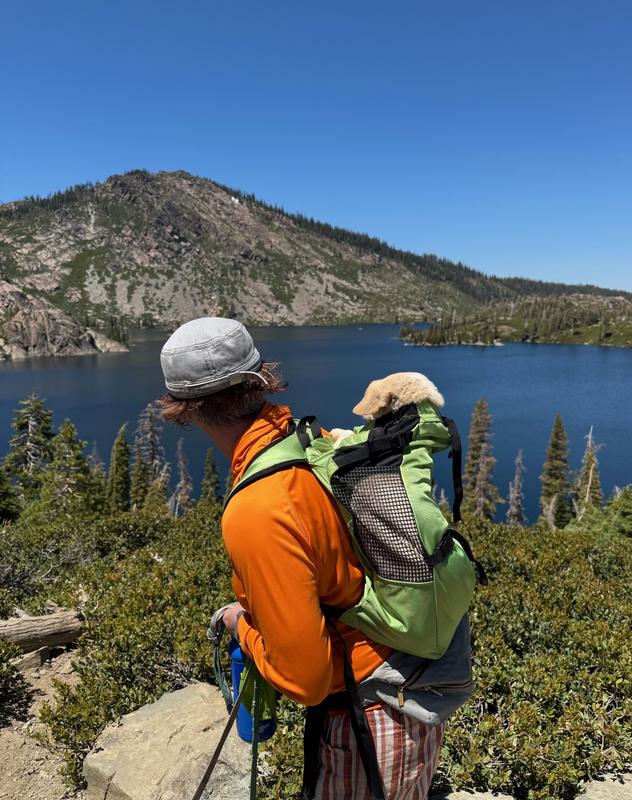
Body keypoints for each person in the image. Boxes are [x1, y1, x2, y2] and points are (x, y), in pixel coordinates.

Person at [159, 316, 464, 800]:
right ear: (260, 378)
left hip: (366, 713)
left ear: (184, 407)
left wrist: (242, 626)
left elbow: (306, 679)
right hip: (410, 685)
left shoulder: (258, 508)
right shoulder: (312, 440)